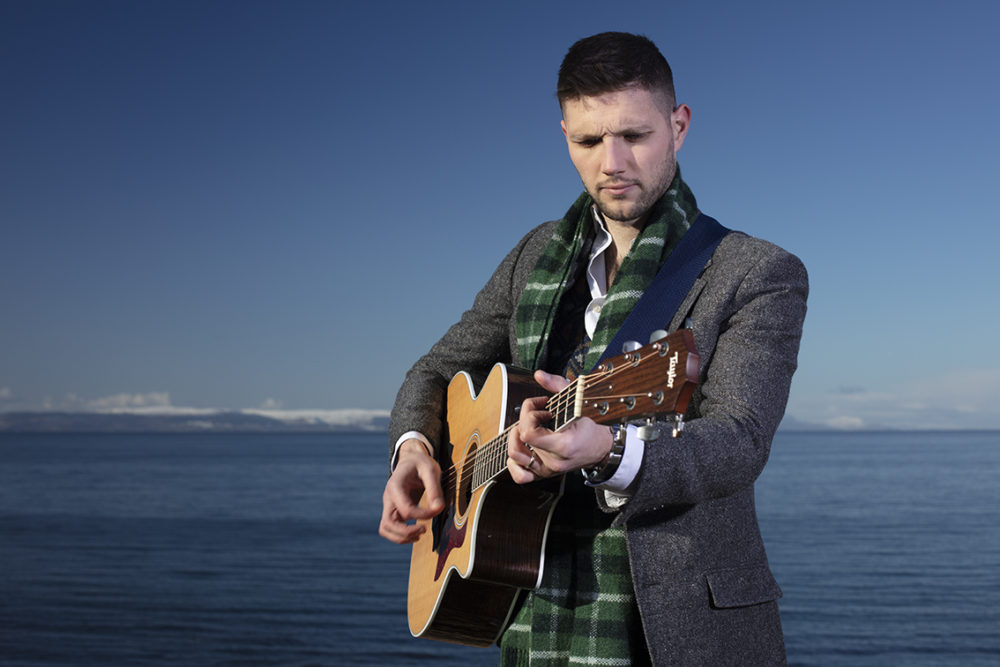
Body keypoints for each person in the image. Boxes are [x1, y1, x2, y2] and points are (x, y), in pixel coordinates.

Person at [379, 31, 807, 666]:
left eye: (634, 136)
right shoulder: (535, 253)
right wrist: (414, 450)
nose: (612, 162)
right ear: (564, 136)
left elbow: (737, 443)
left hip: (675, 624)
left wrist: (610, 450)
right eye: (588, 141)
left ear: (679, 125)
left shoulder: (755, 272)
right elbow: (437, 369)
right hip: (532, 600)